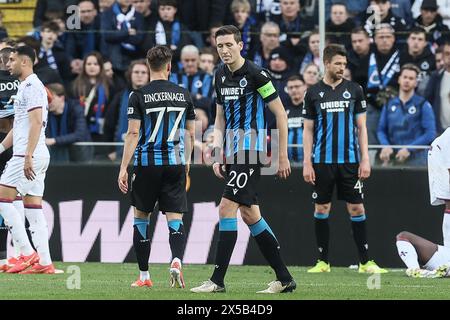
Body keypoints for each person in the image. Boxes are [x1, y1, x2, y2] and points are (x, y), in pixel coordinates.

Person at [190, 25, 296, 294]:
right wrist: (217, 152)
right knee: (250, 215)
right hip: (233, 151)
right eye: (220, 46)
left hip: (252, 149)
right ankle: (284, 279)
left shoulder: (257, 74)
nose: (224, 50)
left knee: (226, 208)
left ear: (240, 45)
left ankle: (217, 281)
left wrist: (282, 156)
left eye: (229, 45)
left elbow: (281, 115)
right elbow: (219, 117)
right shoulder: (219, 75)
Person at [302, 44, 387, 274]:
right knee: (322, 208)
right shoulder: (312, 93)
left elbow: (362, 128)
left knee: (357, 208)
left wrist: (365, 159)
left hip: (350, 161)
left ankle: (365, 262)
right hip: (321, 161)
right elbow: (308, 130)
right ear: (326, 63)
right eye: (338, 63)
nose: (342, 67)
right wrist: (307, 162)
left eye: (344, 64)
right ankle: (323, 262)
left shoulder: (355, 90)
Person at [117, 45, 195, 288]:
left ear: (149, 67)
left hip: (146, 163)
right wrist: (187, 163)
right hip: (174, 163)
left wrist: (123, 168)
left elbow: (132, 133)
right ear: (170, 66)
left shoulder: (138, 95)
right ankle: (176, 260)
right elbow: (190, 134)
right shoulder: (184, 94)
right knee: (175, 217)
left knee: (141, 217)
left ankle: (144, 277)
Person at [0, 45, 54, 274]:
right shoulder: (27, 86)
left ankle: (26, 252)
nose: (7, 64)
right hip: (36, 152)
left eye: (12, 59)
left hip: (28, 153)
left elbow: (35, 122)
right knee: (33, 207)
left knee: (2, 197)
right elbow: (21, 125)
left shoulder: (31, 85)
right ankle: (44, 261)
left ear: (24, 62)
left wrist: (28, 155)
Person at [395, 127, 450, 278]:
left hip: (445, 259)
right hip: (446, 258)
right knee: (403, 236)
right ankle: (416, 270)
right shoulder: (447, 138)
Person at [377, 64, 437, 166]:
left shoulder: (423, 104)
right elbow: (381, 130)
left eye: (411, 78)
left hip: (418, 160)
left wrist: (409, 149)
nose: (407, 81)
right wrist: (385, 145)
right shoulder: (388, 104)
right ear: (399, 79)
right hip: (394, 158)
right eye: (404, 77)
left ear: (416, 83)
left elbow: (430, 133)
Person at [45, 83, 92, 163]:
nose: (48, 102)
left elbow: (80, 134)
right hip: (53, 157)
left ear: (62, 98)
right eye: (46, 99)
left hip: (79, 156)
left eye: (50, 99)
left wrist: (54, 140)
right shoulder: (45, 113)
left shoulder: (76, 108)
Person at [286, 74, 306, 163]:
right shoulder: (283, 110)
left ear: (305, 86)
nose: (294, 90)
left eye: (297, 86)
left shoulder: (311, 108)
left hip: (308, 162)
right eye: (290, 87)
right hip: (288, 163)